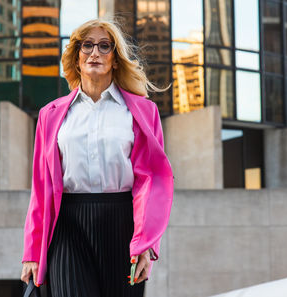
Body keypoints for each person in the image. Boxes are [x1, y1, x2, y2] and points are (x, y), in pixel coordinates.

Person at [20, 18, 174, 297]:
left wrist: (146, 244)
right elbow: (40, 189)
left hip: (122, 226)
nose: (95, 53)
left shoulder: (143, 111)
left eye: (105, 46)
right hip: (67, 225)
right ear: (76, 58)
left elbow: (150, 182)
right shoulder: (50, 115)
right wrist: (32, 251)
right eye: (86, 46)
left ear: (115, 60)